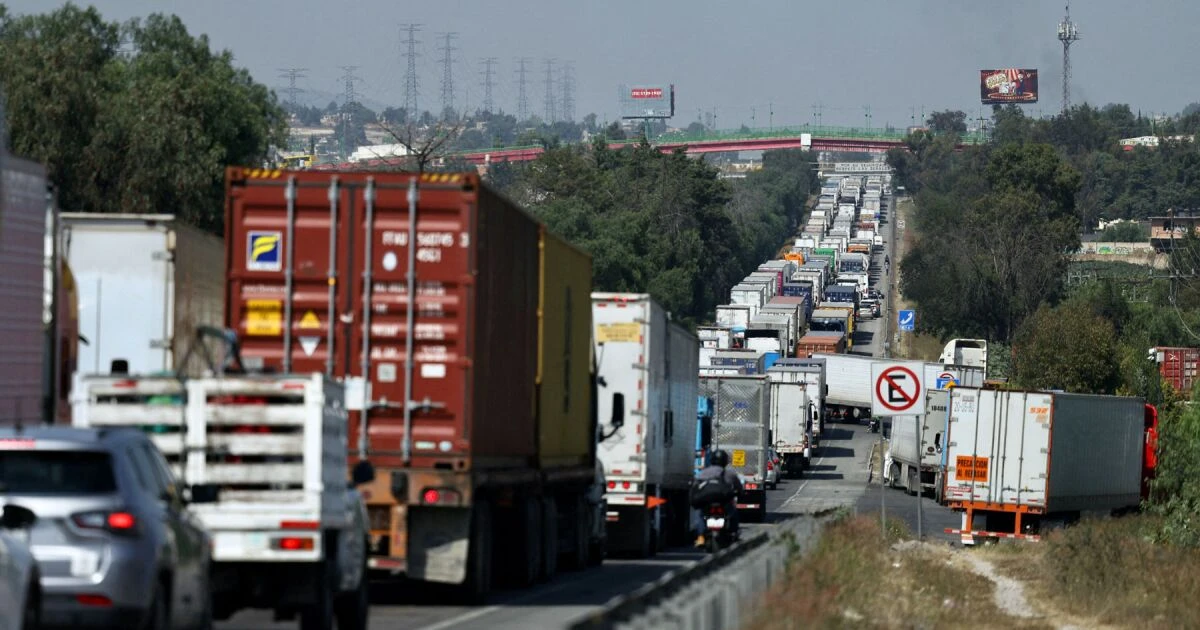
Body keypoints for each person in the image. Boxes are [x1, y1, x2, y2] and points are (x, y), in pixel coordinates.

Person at [693, 449, 743, 546]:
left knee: (701, 515)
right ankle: (734, 533)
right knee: (733, 513)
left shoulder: (703, 473)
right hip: (723, 502)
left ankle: (700, 537)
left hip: (707, 502)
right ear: (725, 461)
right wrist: (739, 493)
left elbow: (696, 486)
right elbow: (739, 488)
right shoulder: (729, 474)